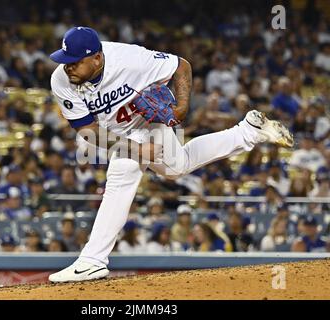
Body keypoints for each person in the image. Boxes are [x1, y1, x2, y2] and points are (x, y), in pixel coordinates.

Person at [48, 26, 293, 282]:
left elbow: (181, 66)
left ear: (97, 58)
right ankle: (248, 132)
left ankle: (92, 260)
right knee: (177, 167)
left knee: (123, 172)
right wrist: (139, 149)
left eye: (75, 62)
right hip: (116, 132)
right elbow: (88, 130)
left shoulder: (131, 60)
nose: (68, 67)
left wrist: (182, 106)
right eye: (65, 62)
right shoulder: (61, 80)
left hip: (147, 119)